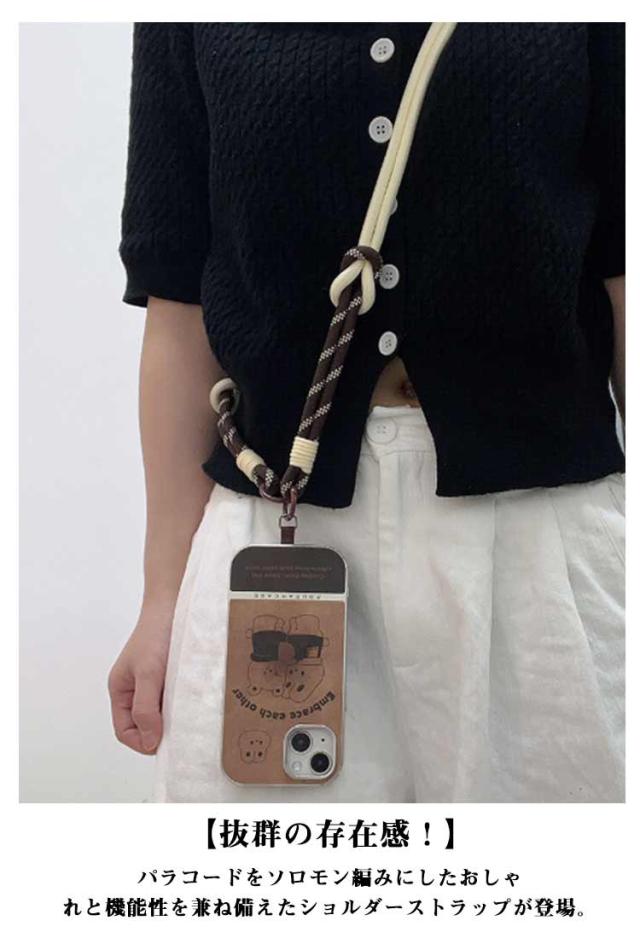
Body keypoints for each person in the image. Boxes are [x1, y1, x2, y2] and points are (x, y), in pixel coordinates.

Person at [108, 23, 625, 802]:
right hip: (273, 537)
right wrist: (161, 598)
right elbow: (178, 306)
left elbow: (625, 268)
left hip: (544, 538)